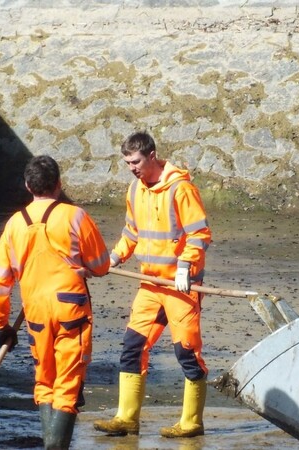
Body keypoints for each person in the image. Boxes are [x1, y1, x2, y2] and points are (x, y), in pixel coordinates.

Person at [93, 131, 212, 438]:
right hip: (149, 284)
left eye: (135, 162)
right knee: (132, 347)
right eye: (127, 163)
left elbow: (200, 234)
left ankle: (192, 423)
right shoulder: (135, 190)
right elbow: (132, 233)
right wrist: (114, 258)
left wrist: (185, 267)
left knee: (187, 352)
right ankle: (126, 418)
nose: (132, 168)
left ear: (152, 155)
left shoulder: (181, 189)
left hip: (180, 287)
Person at [0, 155, 110, 449]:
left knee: (44, 381)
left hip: (36, 311)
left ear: (28, 186)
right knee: (67, 385)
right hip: (71, 309)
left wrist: (2, 326)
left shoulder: (14, 225)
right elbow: (102, 265)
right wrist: (85, 267)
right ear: (59, 184)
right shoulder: (75, 216)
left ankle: (50, 443)